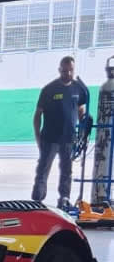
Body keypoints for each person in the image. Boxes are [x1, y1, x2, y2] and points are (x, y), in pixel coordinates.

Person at [31, 56, 88, 207]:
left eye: (71, 70)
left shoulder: (79, 89)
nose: (68, 73)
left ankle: (64, 198)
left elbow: (81, 110)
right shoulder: (49, 89)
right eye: (64, 70)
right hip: (49, 138)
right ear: (59, 70)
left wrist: (83, 130)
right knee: (43, 170)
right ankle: (37, 199)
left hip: (68, 139)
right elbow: (37, 115)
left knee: (66, 171)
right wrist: (38, 137)